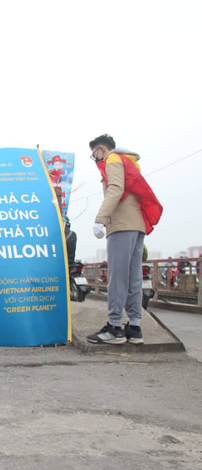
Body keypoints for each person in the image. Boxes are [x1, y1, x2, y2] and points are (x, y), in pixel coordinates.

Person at [87, 134, 162, 345]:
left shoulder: (112, 160)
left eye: (94, 155)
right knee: (133, 277)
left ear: (102, 149)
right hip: (136, 225)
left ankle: (114, 328)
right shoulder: (129, 162)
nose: (96, 160)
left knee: (117, 276)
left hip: (121, 225)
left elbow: (116, 189)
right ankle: (134, 327)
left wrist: (100, 219)